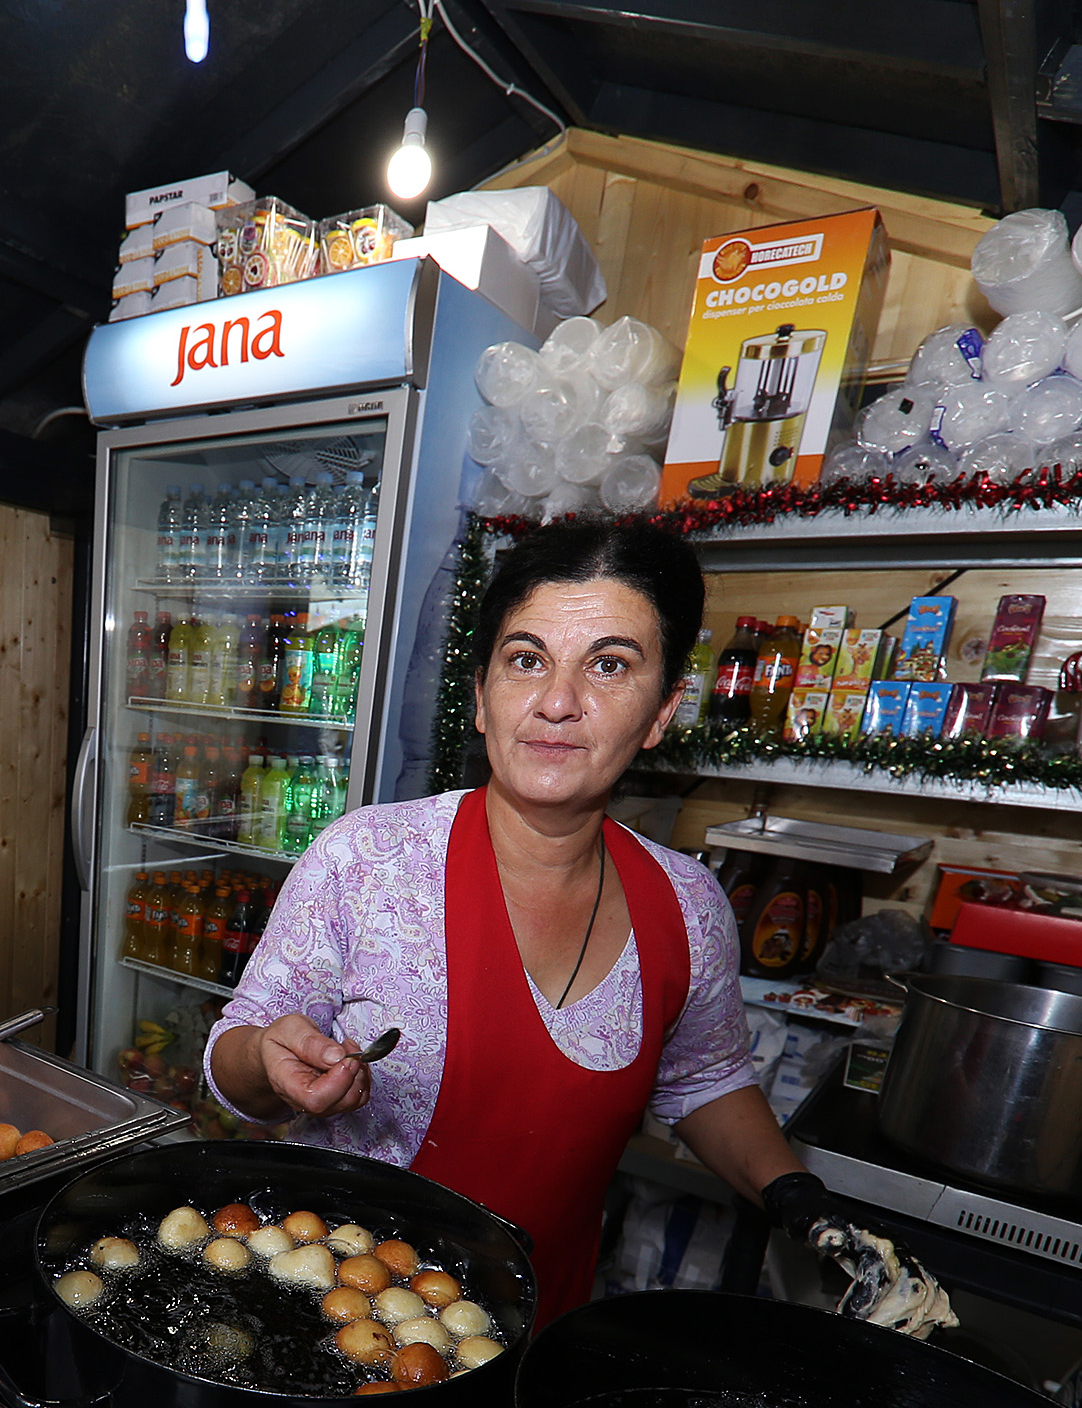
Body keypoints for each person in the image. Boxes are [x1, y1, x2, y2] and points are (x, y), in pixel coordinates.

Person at [206, 519, 947, 1331]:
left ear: (662, 712)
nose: (558, 702)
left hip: (533, 1323)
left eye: (609, 665)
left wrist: (799, 1201)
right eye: (527, 660)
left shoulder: (690, 907)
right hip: (327, 1307)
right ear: (484, 697)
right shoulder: (368, 860)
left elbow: (705, 1079)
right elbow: (237, 1054)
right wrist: (265, 1061)